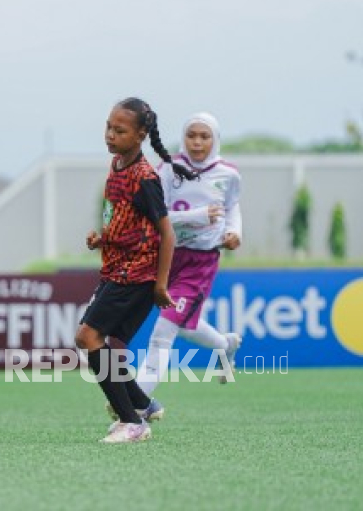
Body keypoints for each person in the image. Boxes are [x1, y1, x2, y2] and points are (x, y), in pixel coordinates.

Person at [74, 96, 196, 444]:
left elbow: (166, 232)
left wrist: (160, 285)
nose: (110, 135)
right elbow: (127, 221)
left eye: (120, 130)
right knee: (103, 341)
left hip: (137, 274)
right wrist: (104, 238)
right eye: (109, 127)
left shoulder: (145, 177)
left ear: (141, 134)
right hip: (116, 269)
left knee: (88, 338)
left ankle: (133, 422)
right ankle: (142, 404)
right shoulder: (117, 165)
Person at [133, 111, 243, 396]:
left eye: (204, 136)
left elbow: (232, 207)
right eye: (191, 135)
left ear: (215, 139)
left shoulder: (228, 174)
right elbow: (154, 213)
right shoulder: (168, 169)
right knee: (182, 327)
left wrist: (234, 232)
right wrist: (197, 216)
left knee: (162, 333)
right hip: (167, 257)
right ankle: (224, 345)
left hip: (201, 262)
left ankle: (136, 406)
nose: (197, 142)